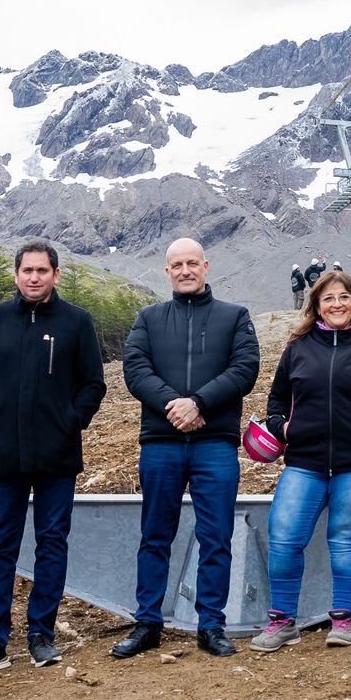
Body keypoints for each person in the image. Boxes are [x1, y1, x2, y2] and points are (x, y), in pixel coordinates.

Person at [0, 242, 107, 676]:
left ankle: (42, 634)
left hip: (57, 457)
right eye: (27, 270)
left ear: (56, 275)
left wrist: (69, 423)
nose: (34, 277)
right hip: (5, 458)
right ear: (16, 274)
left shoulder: (77, 322)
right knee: (0, 545)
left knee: (52, 544)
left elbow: (92, 385)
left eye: (42, 270)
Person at [114, 237, 260, 659]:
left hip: (215, 442)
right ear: (167, 272)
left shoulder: (235, 317)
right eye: (176, 264)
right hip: (162, 443)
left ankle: (211, 624)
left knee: (216, 535)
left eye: (191, 263)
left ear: (206, 266)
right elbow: (135, 369)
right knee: (155, 534)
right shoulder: (149, 318)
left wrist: (199, 403)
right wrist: (172, 406)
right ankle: (148, 623)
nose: (184, 270)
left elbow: (245, 368)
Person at [250, 270, 351, 651]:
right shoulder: (298, 347)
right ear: (316, 305)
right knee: (285, 538)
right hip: (304, 463)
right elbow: (277, 399)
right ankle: (282, 621)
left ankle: (343, 620)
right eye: (329, 299)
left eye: (344, 297)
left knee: (345, 541)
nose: (337, 304)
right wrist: (283, 428)